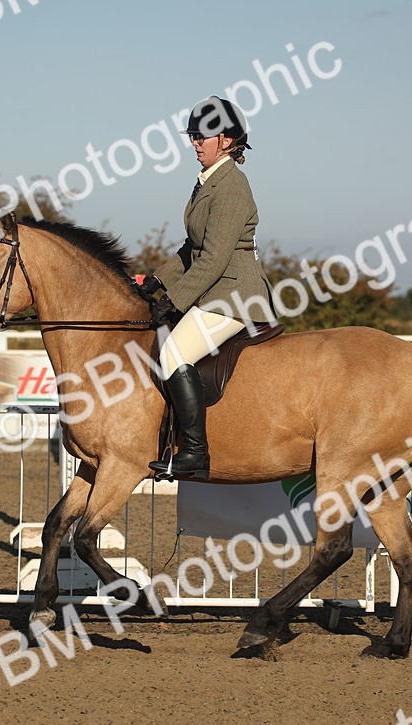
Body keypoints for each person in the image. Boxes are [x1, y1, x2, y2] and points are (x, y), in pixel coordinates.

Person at [142, 95, 277, 479]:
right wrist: (157, 281)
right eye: (193, 135)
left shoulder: (232, 185)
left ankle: (195, 453)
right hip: (214, 290)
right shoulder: (207, 182)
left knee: (173, 354)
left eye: (203, 135)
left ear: (227, 140)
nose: (195, 142)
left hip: (235, 295)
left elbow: (215, 258)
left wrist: (173, 300)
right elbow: (192, 247)